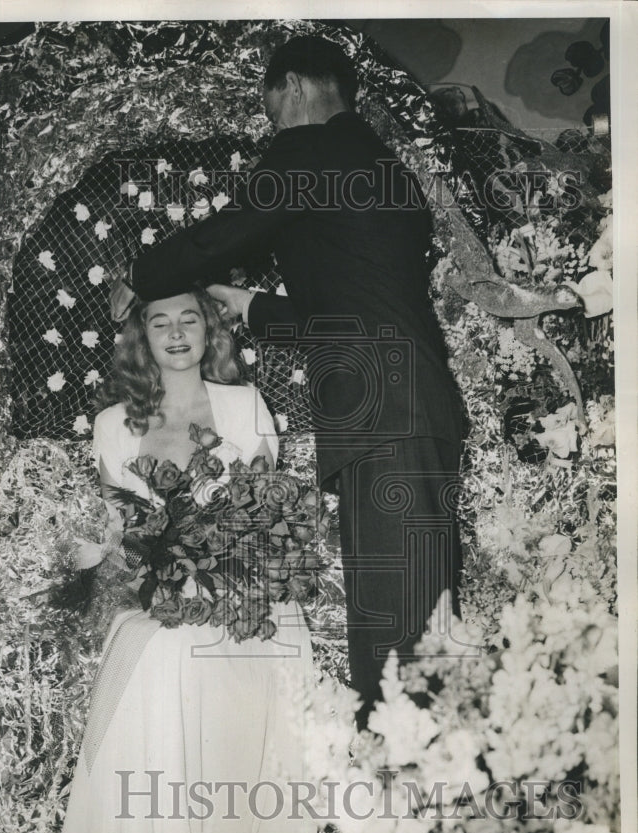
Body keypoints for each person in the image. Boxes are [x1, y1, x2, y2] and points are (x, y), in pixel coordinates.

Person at [109, 35, 465, 727]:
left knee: (398, 634)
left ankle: (405, 776)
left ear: (295, 88)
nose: (275, 127)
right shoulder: (382, 167)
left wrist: (142, 275)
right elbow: (354, 310)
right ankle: (411, 766)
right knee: (413, 620)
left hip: (384, 416)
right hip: (405, 409)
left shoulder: (313, 147)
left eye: (272, 111)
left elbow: (232, 228)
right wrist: (249, 306)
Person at [0, 288, 315, 833]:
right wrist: (143, 565)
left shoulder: (244, 405)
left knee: (199, 646)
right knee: (146, 645)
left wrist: (215, 572)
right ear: (142, 339)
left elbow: (263, 513)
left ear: (210, 332)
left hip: (244, 590)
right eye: (160, 323)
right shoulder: (112, 424)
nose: (176, 333)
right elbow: (119, 532)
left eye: (189, 320)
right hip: (162, 592)